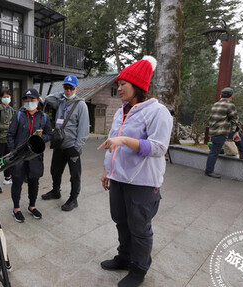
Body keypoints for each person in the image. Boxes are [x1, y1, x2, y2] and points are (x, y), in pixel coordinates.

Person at [98, 56, 173, 287]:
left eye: (123, 84)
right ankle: (124, 257)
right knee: (120, 220)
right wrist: (106, 169)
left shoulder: (157, 112)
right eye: (118, 84)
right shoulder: (123, 110)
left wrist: (125, 140)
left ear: (138, 86)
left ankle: (139, 269)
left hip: (142, 182)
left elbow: (159, 148)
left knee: (139, 228)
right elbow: (112, 142)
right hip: (118, 177)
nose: (118, 88)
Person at [40, 75, 90, 211]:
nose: (68, 91)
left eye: (71, 88)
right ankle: (56, 191)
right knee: (55, 171)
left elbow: (84, 129)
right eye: (66, 87)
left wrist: (77, 146)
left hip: (72, 146)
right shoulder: (61, 102)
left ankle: (73, 199)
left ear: (76, 88)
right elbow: (48, 98)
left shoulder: (81, 105)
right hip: (59, 144)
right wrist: (62, 94)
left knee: (74, 175)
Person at [7, 88, 52, 223]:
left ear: (38, 101)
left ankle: (32, 206)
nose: (29, 103)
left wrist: (39, 139)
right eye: (26, 101)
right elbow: (10, 135)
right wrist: (13, 152)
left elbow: (49, 134)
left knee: (34, 182)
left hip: (35, 156)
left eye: (32, 100)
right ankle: (16, 208)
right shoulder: (18, 115)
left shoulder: (44, 117)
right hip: (19, 156)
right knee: (17, 182)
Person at [205, 87, 243, 178]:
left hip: (215, 130)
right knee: (214, 152)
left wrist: (236, 132)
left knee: (238, 135)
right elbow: (234, 120)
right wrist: (235, 131)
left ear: (221, 95)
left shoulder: (215, 104)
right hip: (222, 131)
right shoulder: (230, 105)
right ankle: (209, 171)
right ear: (232, 95)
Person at [0, 89, 15, 193]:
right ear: (0, 97)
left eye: (8, 96)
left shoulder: (11, 109)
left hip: (8, 139)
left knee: (8, 159)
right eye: (5, 96)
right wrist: (8, 126)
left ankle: (7, 178)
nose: (7, 98)